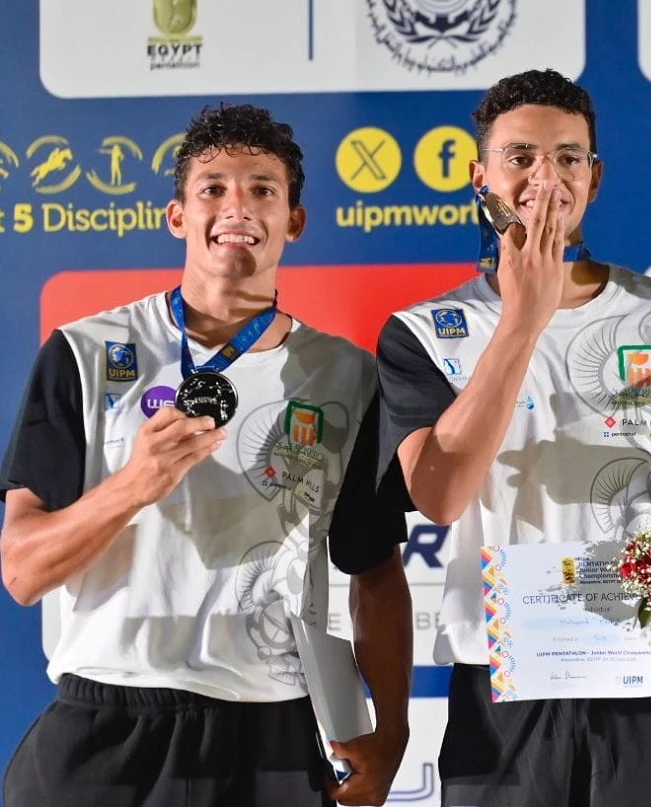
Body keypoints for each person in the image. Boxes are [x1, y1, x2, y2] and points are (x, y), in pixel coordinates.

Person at [0, 103, 411, 807]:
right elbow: (23, 569)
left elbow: (374, 570)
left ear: (294, 222)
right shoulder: (85, 351)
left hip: (270, 728)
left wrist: (394, 732)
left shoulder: (345, 376)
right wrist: (134, 483)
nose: (237, 206)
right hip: (108, 718)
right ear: (177, 216)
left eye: (263, 188)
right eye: (213, 187)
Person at [367, 68, 651, 807]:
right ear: (481, 177)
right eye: (521, 158)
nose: (546, 177)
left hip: (646, 677)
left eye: (569, 157)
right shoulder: (422, 333)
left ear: (595, 176)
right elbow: (438, 497)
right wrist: (522, 316)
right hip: (503, 690)